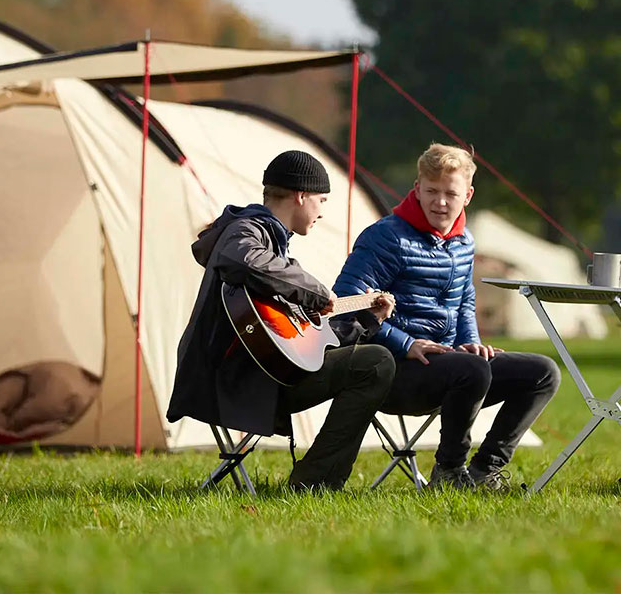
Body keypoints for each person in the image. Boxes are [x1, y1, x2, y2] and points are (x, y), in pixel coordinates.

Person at [334, 143, 562, 490]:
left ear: (467, 195)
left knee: (543, 373)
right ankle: (449, 473)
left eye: (450, 193)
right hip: (393, 371)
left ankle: (485, 470)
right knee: (470, 369)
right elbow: (346, 304)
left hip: (452, 367)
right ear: (417, 189)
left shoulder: (464, 242)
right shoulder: (386, 237)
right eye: (431, 192)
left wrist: (470, 341)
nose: (440, 202)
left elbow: (464, 300)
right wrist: (405, 343)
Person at [167, 149, 396, 491]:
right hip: (232, 383)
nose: (322, 211)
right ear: (301, 196)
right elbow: (240, 258)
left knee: (371, 361)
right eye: (321, 200)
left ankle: (316, 478)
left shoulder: (275, 249)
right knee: (376, 364)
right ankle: (315, 482)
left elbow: (308, 345)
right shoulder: (246, 231)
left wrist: (365, 319)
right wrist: (314, 290)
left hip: (262, 375)